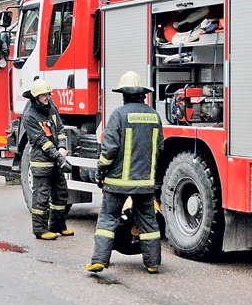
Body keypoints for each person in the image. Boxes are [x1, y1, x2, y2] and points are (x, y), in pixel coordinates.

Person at [87, 71, 164, 274]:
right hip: (145, 183)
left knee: (107, 220)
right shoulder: (154, 116)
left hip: (117, 182)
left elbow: (109, 149)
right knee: (148, 222)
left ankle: (99, 261)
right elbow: (160, 148)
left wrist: (100, 170)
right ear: (142, 94)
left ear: (123, 94)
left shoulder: (118, 115)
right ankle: (153, 263)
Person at [21, 79, 73, 240]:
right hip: (41, 161)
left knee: (61, 194)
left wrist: (63, 146)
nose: (47, 97)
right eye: (44, 95)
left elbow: (61, 130)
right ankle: (40, 230)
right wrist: (59, 156)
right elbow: (42, 141)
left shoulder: (51, 109)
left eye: (48, 94)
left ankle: (58, 226)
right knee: (41, 197)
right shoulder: (29, 116)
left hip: (56, 159)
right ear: (36, 97)